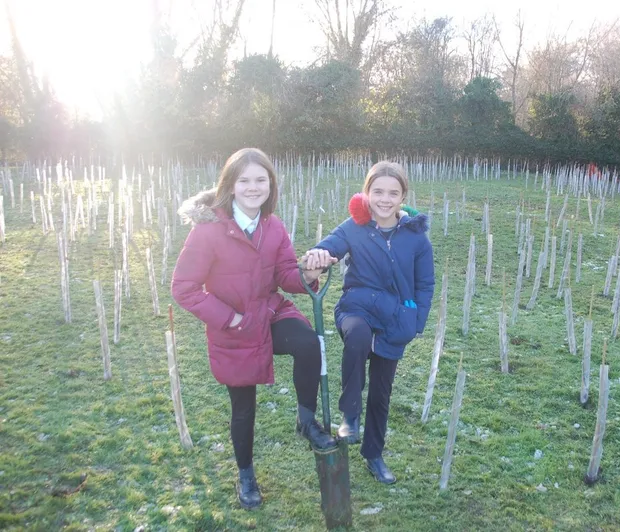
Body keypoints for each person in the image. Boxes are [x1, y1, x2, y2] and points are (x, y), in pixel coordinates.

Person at [171, 148, 335, 510]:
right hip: (233, 327)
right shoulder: (208, 231)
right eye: (244, 180)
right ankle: (246, 474)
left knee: (308, 344)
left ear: (270, 185)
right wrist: (229, 318)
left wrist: (308, 273)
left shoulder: (273, 226)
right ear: (230, 185)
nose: (253, 187)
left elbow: (285, 275)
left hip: (269, 311)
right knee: (243, 407)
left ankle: (306, 421)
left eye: (261, 180)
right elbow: (183, 288)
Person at [303, 161, 435, 484]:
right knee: (358, 336)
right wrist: (317, 256)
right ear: (366, 193)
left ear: (403, 196)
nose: (385, 199)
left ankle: (374, 454)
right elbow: (329, 246)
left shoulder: (417, 238)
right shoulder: (354, 227)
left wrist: (415, 322)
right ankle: (350, 413)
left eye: (393, 193)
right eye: (378, 191)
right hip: (356, 309)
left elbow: (425, 284)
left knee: (380, 392)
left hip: (395, 320)